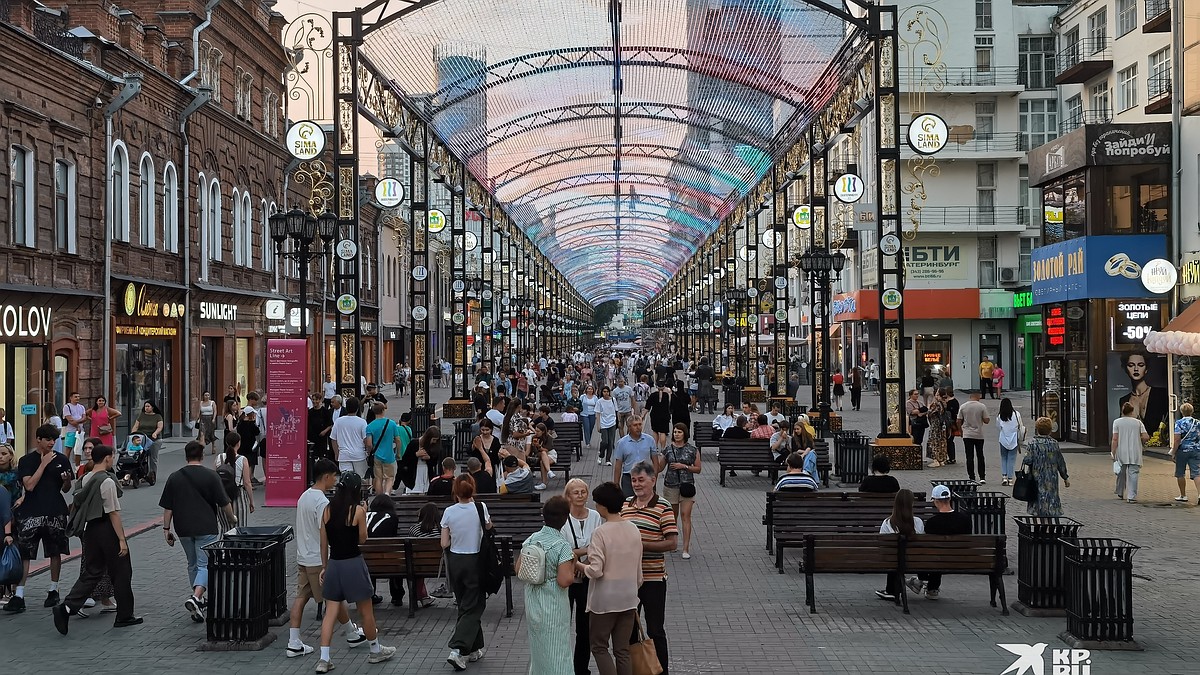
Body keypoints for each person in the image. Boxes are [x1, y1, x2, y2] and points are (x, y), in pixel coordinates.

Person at [313, 472, 396, 672]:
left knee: (330, 613)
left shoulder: (327, 510)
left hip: (334, 564)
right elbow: (362, 539)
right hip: (353, 563)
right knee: (365, 611)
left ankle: (324, 659)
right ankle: (375, 651)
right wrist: (364, 514)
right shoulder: (357, 511)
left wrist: (325, 566)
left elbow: (323, 544)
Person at [53, 443, 140, 634]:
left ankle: (67, 607)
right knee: (122, 571)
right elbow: (113, 513)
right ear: (108, 458)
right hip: (106, 528)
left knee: (92, 571)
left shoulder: (85, 479)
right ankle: (125, 615)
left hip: (90, 530)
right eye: (113, 457)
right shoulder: (107, 481)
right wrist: (122, 540)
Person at [286, 459, 366, 659]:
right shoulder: (322, 502)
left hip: (303, 555)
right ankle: (351, 633)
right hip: (317, 559)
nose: (336, 481)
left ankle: (293, 641)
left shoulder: (304, 496)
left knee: (301, 597)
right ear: (327, 476)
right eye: (334, 476)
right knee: (334, 600)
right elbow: (327, 531)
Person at [159, 441, 236, 623]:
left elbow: (168, 507)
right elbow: (224, 503)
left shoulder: (174, 477)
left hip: (183, 527)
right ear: (202, 456)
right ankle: (196, 597)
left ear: (186, 456)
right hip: (206, 526)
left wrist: (166, 529)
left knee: (192, 563)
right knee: (205, 564)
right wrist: (232, 519)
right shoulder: (211, 476)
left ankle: (198, 601)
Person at [3, 424, 73, 613]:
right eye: (48, 439)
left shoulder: (63, 460)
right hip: (31, 512)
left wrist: (66, 480)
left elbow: (66, 489)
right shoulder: (27, 460)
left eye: (54, 440)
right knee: (25, 553)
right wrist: (43, 464)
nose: (52, 443)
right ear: (38, 440)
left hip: (55, 511)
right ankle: (19, 594)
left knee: (54, 551)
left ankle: (53, 589)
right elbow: (30, 485)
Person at [578, 481, 643, 675]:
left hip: (605, 600)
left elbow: (596, 570)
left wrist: (579, 565)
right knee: (622, 649)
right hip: (629, 596)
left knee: (599, 646)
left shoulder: (600, 533)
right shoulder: (633, 529)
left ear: (603, 506)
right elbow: (638, 570)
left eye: (597, 503)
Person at [622, 461, 677, 674]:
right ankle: (636, 669)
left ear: (653, 481)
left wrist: (640, 545)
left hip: (653, 578)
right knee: (628, 630)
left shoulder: (663, 506)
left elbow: (672, 543)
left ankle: (662, 670)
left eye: (641, 480)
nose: (636, 484)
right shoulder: (625, 504)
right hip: (627, 580)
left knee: (655, 629)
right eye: (634, 480)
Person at [516, 496, 576, 674]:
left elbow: (518, 568)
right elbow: (564, 580)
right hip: (553, 603)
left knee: (539, 648)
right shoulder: (562, 545)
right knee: (558, 649)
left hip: (533, 599)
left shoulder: (532, 539)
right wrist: (574, 563)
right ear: (565, 518)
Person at [442, 474, 493, 670]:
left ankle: (474, 648)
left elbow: (444, 542)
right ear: (473, 489)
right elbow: (488, 526)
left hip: (455, 561)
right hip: (475, 560)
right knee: (474, 605)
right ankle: (458, 649)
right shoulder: (480, 507)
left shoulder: (448, 511)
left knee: (465, 603)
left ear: (455, 490)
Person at [561, 479, 602, 675]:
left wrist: (583, 561)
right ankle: (562, 666)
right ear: (568, 496)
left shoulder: (595, 516)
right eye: (575, 492)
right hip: (567, 579)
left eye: (583, 492)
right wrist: (582, 553)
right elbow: (561, 548)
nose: (580, 495)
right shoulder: (562, 518)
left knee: (584, 630)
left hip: (588, 578)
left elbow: (600, 544)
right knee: (562, 625)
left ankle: (581, 669)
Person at [904, 485, 972, 601]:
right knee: (940, 553)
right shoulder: (965, 519)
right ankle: (932, 588)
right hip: (961, 559)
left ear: (935, 501)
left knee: (933, 552)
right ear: (949, 499)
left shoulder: (932, 523)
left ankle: (924, 583)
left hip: (937, 560)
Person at [876, 489, 924, 601]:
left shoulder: (888, 523)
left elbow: (882, 546)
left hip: (892, 561)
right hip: (915, 561)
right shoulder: (918, 522)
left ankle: (891, 590)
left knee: (894, 555)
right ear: (912, 504)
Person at [662, 423, 700, 559]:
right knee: (672, 517)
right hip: (670, 485)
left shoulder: (692, 449)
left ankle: (685, 548)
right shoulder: (668, 449)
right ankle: (673, 544)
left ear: (685, 434)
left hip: (687, 486)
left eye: (679, 432)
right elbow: (660, 467)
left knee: (686, 516)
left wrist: (683, 466)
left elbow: (698, 468)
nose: (676, 434)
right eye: (675, 432)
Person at [1021, 417, 1070, 517]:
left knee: (1037, 500)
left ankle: (1039, 523)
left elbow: (1027, 460)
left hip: (1036, 478)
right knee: (1050, 499)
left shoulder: (1032, 443)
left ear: (1037, 429)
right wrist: (1065, 477)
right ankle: (1049, 525)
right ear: (1050, 430)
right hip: (1051, 479)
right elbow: (1060, 462)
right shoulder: (1054, 444)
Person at [1117, 350, 1169, 442]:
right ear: (1126, 369)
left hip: (1158, 443)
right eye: (1131, 365)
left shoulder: (1160, 394)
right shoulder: (1124, 400)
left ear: (1146, 369)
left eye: (1141, 365)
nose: (1136, 369)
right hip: (1132, 443)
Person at [613, 416, 661, 497]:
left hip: (646, 476)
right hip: (629, 478)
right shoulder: (622, 443)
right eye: (635, 425)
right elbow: (618, 465)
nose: (638, 427)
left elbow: (655, 462)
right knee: (629, 503)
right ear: (629, 427)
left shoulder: (650, 440)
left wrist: (654, 477)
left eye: (640, 424)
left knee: (648, 503)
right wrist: (616, 484)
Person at [215, 431, 254, 532]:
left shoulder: (219, 458)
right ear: (238, 443)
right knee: (239, 528)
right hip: (239, 496)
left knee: (225, 528)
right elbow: (247, 483)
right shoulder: (243, 459)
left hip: (222, 496)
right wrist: (251, 501)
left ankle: (224, 547)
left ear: (226, 443)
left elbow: (215, 478)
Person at [1112, 401, 1148, 503]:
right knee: (1134, 473)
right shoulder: (1138, 422)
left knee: (1120, 472)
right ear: (1132, 411)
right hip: (1135, 451)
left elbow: (1115, 439)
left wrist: (1113, 451)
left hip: (1121, 451)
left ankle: (1120, 491)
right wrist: (1139, 438)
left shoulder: (1117, 422)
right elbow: (1146, 436)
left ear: (1122, 411)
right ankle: (1131, 496)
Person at [366, 403, 401, 497]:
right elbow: (397, 439)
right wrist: (398, 453)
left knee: (378, 478)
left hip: (377, 455)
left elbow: (369, 444)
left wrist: (369, 451)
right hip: (389, 455)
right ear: (383, 410)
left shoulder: (370, 426)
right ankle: (387, 494)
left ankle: (379, 497)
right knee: (389, 477)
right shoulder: (391, 423)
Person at [331, 398, 370, 477]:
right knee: (360, 478)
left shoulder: (338, 421)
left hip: (344, 455)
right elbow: (366, 439)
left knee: (347, 478)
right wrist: (368, 451)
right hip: (359, 455)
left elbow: (333, 439)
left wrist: (336, 453)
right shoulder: (362, 422)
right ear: (357, 408)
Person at [957, 392, 990, 484]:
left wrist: (961, 431)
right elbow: (987, 420)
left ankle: (972, 477)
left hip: (967, 434)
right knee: (980, 455)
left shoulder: (963, 406)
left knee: (969, 456)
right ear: (978, 397)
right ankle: (982, 477)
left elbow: (958, 420)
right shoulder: (982, 406)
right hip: (979, 434)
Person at [1170, 403, 1200, 504]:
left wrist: (1173, 452)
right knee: (1196, 472)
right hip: (1196, 449)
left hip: (1182, 450)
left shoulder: (1179, 423)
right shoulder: (1197, 423)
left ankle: (1183, 495)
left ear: (1181, 411)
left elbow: (1177, 439)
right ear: (1192, 411)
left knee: (1180, 472)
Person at [129, 400, 164, 483]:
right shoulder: (141, 415)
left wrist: (155, 433)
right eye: (145, 406)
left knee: (153, 458)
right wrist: (133, 434)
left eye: (148, 406)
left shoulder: (157, 416)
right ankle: (142, 474)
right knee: (141, 457)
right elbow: (136, 426)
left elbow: (159, 427)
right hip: (141, 438)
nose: (146, 408)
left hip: (153, 439)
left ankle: (152, 474)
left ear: (152, 407)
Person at [996, 398, 1025, 486]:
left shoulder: (999, 416)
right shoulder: (1016, 414)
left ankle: (1004, 476)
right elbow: (1020, 426)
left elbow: (998, 428)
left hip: (1003, 439)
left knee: (1004, 458)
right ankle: (1010, 478)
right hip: (1014, 440)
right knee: (1011, 459)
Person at [644, 382, 674, 449]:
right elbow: (671, 405)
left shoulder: (653, 395)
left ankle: (656, 447)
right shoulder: (667, 395)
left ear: (657, 387)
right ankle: (662, 448)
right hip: (665, 415)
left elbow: (647, 407)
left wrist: (643, 415)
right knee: (663, 432)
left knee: (655, 431)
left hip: (654, 415)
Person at [62, 392, 88, 467]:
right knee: (68, 449)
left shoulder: (81, 407)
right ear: (71, 398)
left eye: (78, 397)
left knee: (78, 450)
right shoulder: (67, 407)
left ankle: (77, 466)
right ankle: (65, 465)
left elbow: (84, 418)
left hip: (80, 432)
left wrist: (77, 422)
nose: (77, 398)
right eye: (75, 397)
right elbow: (70, 420)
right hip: (71, 431)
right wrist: (77, 426)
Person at [596, 386, 619, 467]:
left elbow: (616, 411)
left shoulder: (613, 400)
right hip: (603, 423)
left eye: (607, 391)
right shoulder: (599, 401)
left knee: (610, 442)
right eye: (604, 391)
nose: (606, 393)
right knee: (605, 441)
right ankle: (601, 454)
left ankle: (608, 459)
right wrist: (598, 425)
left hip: (612, 423)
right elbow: (598, 414)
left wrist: (617, 422)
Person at [926, 390, 947, 468]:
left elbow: (929, 413)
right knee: (941, 441)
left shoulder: (935, 404)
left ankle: (936, 460)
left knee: (934, 441)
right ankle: (941, 459)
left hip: (935, 425)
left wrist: (929, 407)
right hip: (942, 425)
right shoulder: (944, 403)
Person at [943, 388, 960, 465]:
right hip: (952, 423)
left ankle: (951, 458)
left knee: (949, 440)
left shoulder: (951, 403)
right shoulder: (955, 401)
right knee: (950, 441)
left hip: (950, 424)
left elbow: (950, 414)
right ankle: (951, 457)